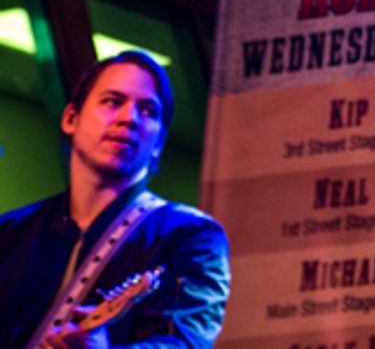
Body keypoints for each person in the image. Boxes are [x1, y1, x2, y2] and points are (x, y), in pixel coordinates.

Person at [0, 51, 230, 348]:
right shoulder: (9, 233)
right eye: (112, 102)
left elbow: (183, 343)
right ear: (71, 118)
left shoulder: (190, 237)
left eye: (147, 110)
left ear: (159, 141)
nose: (128, 118)